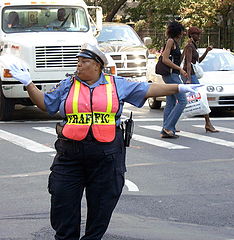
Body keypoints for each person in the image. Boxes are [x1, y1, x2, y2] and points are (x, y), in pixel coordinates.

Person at [7, 43, 201, 240]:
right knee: (62, 201)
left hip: (107, 155)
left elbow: (148, 89)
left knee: (102, 205)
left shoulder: (116, 84)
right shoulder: (68, 84)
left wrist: (179, 87)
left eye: (84, 61)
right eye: (78, 61)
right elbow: (45, 104)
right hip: (70, 155)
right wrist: (29, 84)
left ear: (97, 65)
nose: (79, 65)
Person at [183, 26, 219, 132]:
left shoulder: (193, 46)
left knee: (182, 100)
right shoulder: (189, 46)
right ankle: (208, 123)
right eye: (197, 34)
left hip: (191, 74)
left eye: (199, 34)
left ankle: (171, 124)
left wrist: (206, 51)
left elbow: (197, 61)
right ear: (192, 35)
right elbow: (188, 63)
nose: (199, 36)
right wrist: (189, 78)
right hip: (190, 75)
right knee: (202, 97)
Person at [159, 21, 188, 138]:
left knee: (170, 101)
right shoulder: (170, 41)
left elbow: (176, 58)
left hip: (172, 74)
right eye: (181, 31)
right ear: (177, 31)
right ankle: (168, 127)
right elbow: (165, 59)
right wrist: (179, 69)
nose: (183, 33)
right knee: (182, 100)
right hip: (171, 75)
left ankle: (166, 128)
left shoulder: (175, 42)